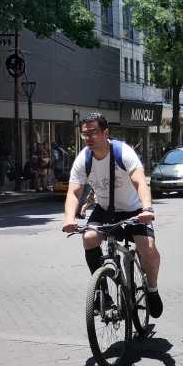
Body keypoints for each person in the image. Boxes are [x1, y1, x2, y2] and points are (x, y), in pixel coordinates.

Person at [61, 112, 163, 318]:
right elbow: (74, 192)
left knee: (148, 249)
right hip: (106, 209)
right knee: (89, 238)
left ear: (106, 132)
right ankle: (102, 294)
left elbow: (140, 181)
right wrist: (69, 218)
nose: (89, 138)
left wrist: (147, 208)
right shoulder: (84, 159)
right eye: (85, 134)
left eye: (93, 132)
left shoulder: (123, 153)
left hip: (134, 210)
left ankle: (152, 290)